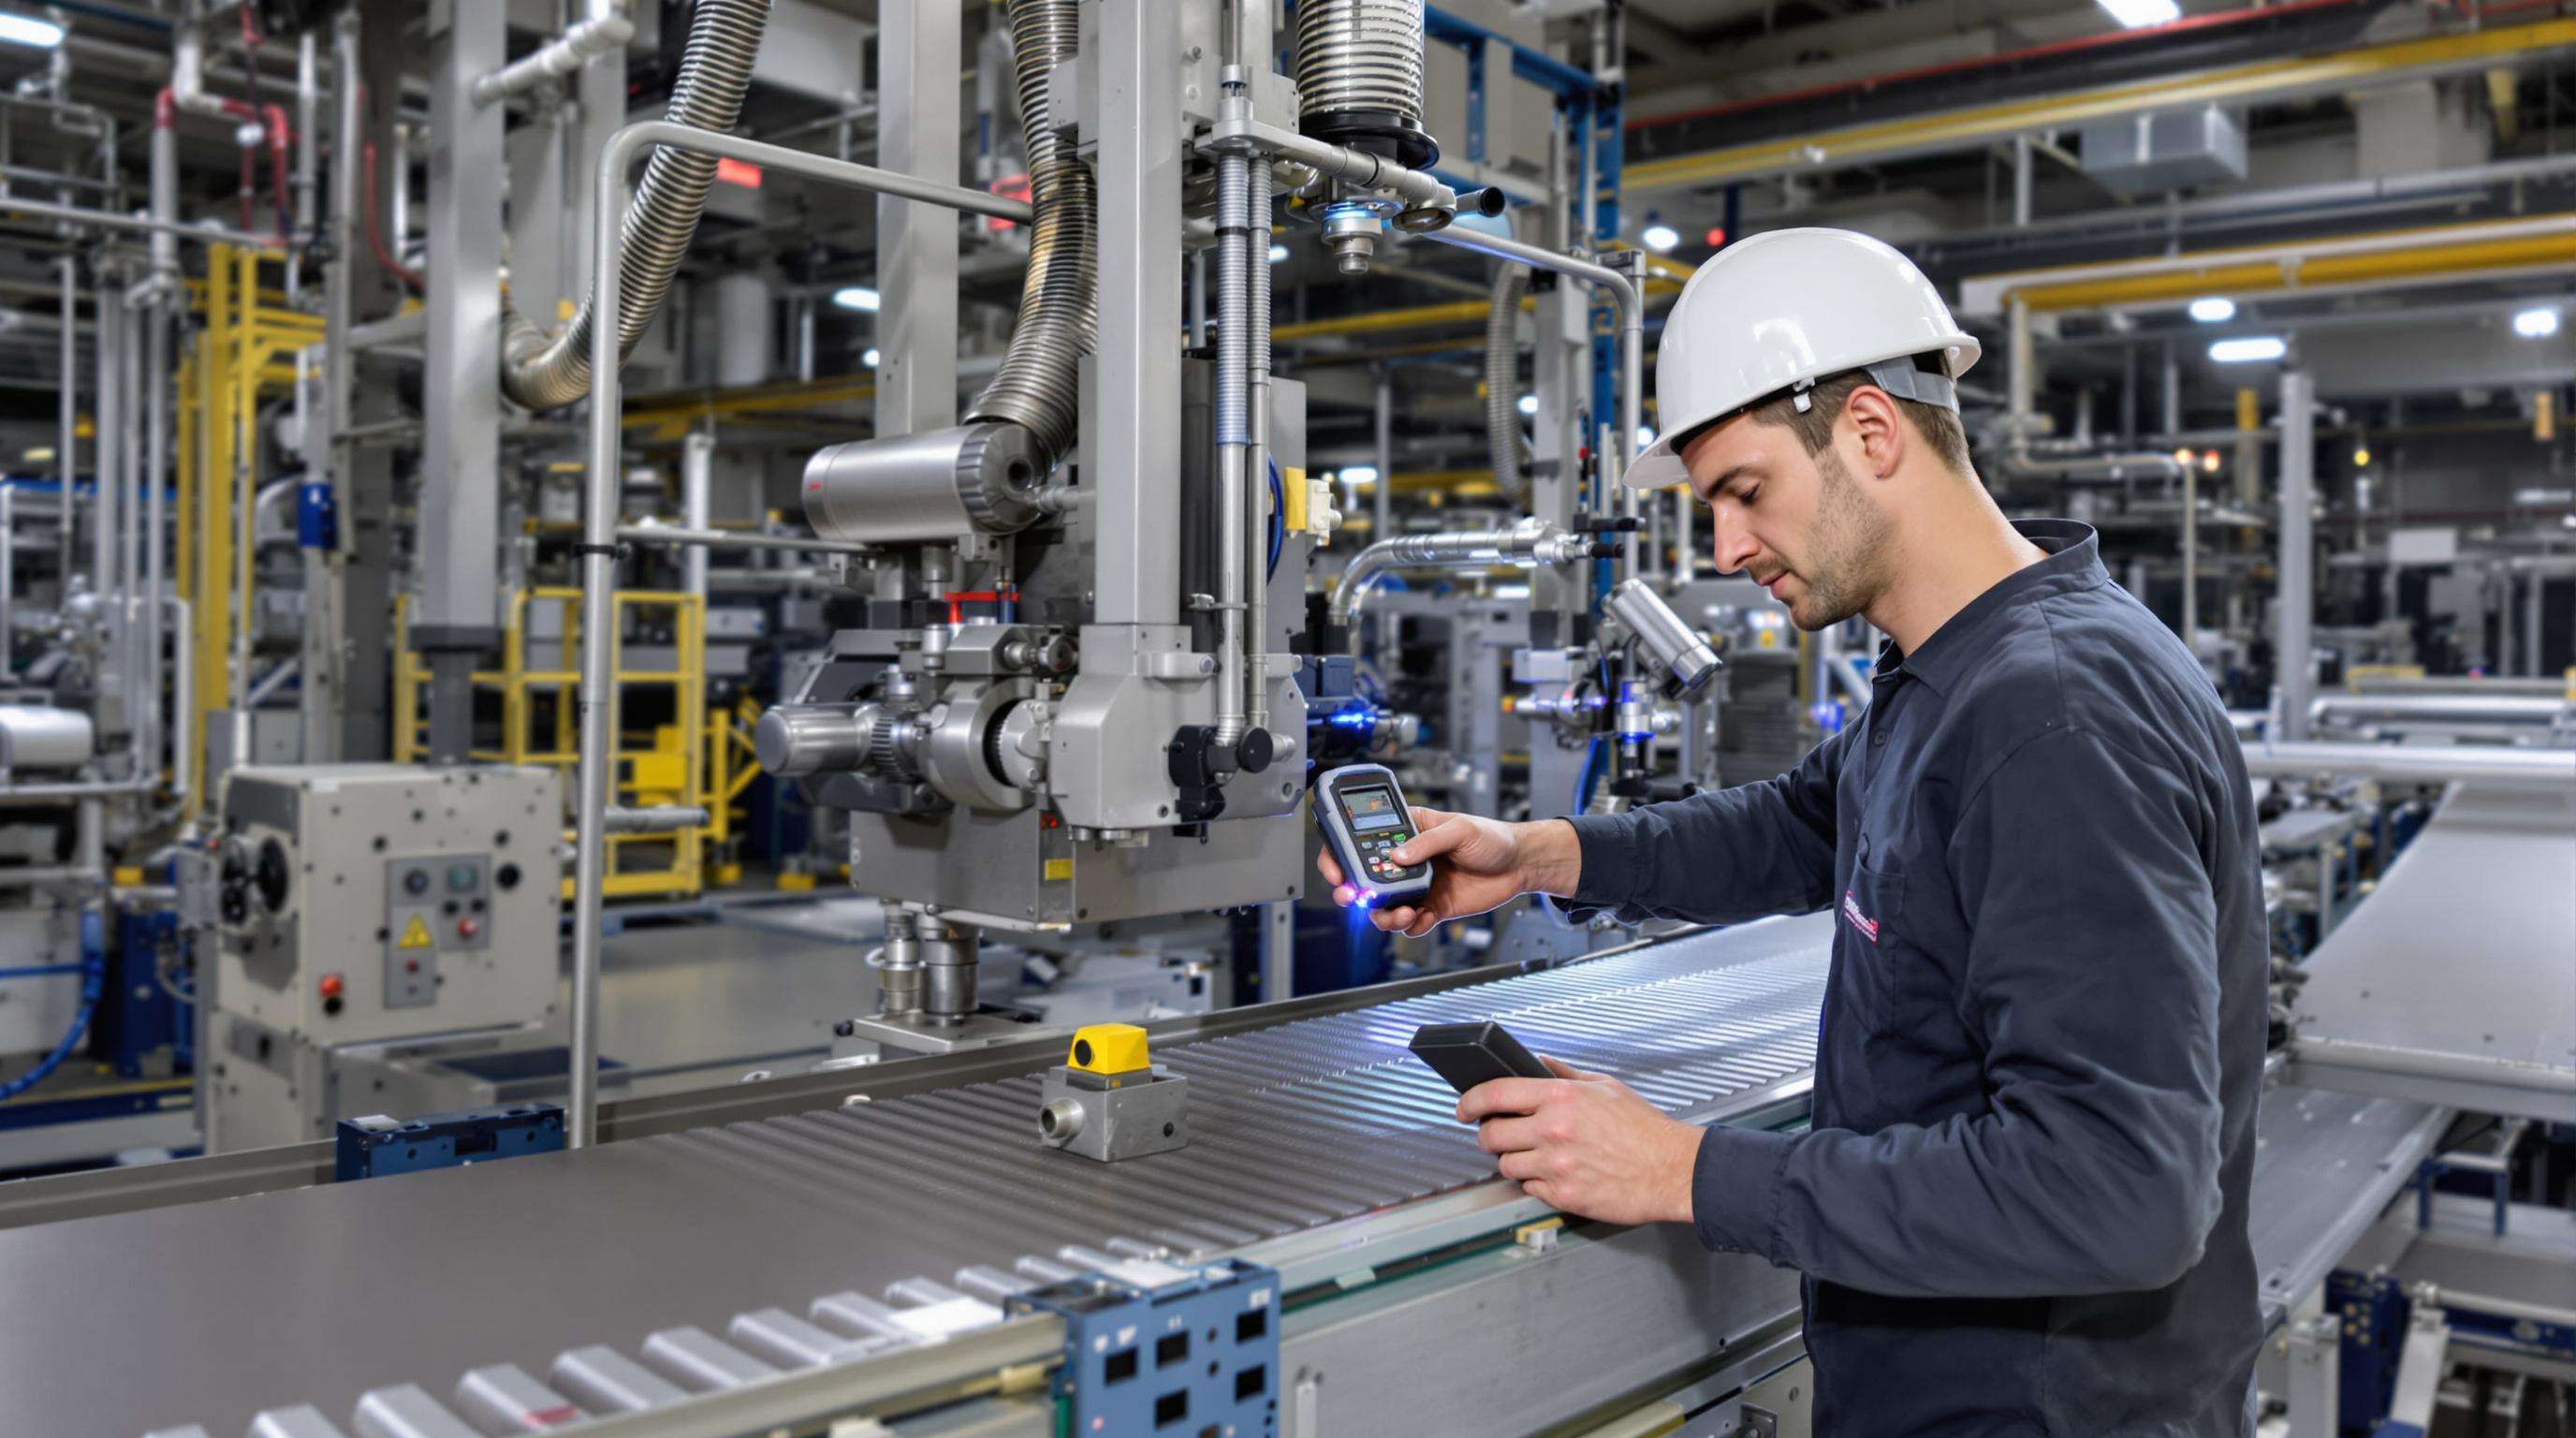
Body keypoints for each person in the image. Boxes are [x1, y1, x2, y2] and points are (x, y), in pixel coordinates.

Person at [1320, 228, 2268, 1436]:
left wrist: (1685, 1171)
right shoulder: (1955, 673)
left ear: (1872, 433)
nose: (1725, 547)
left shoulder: (2053, 715)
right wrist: (1538, 856)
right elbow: (1806, 823)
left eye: (1745, 491)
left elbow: (2122, 1191)